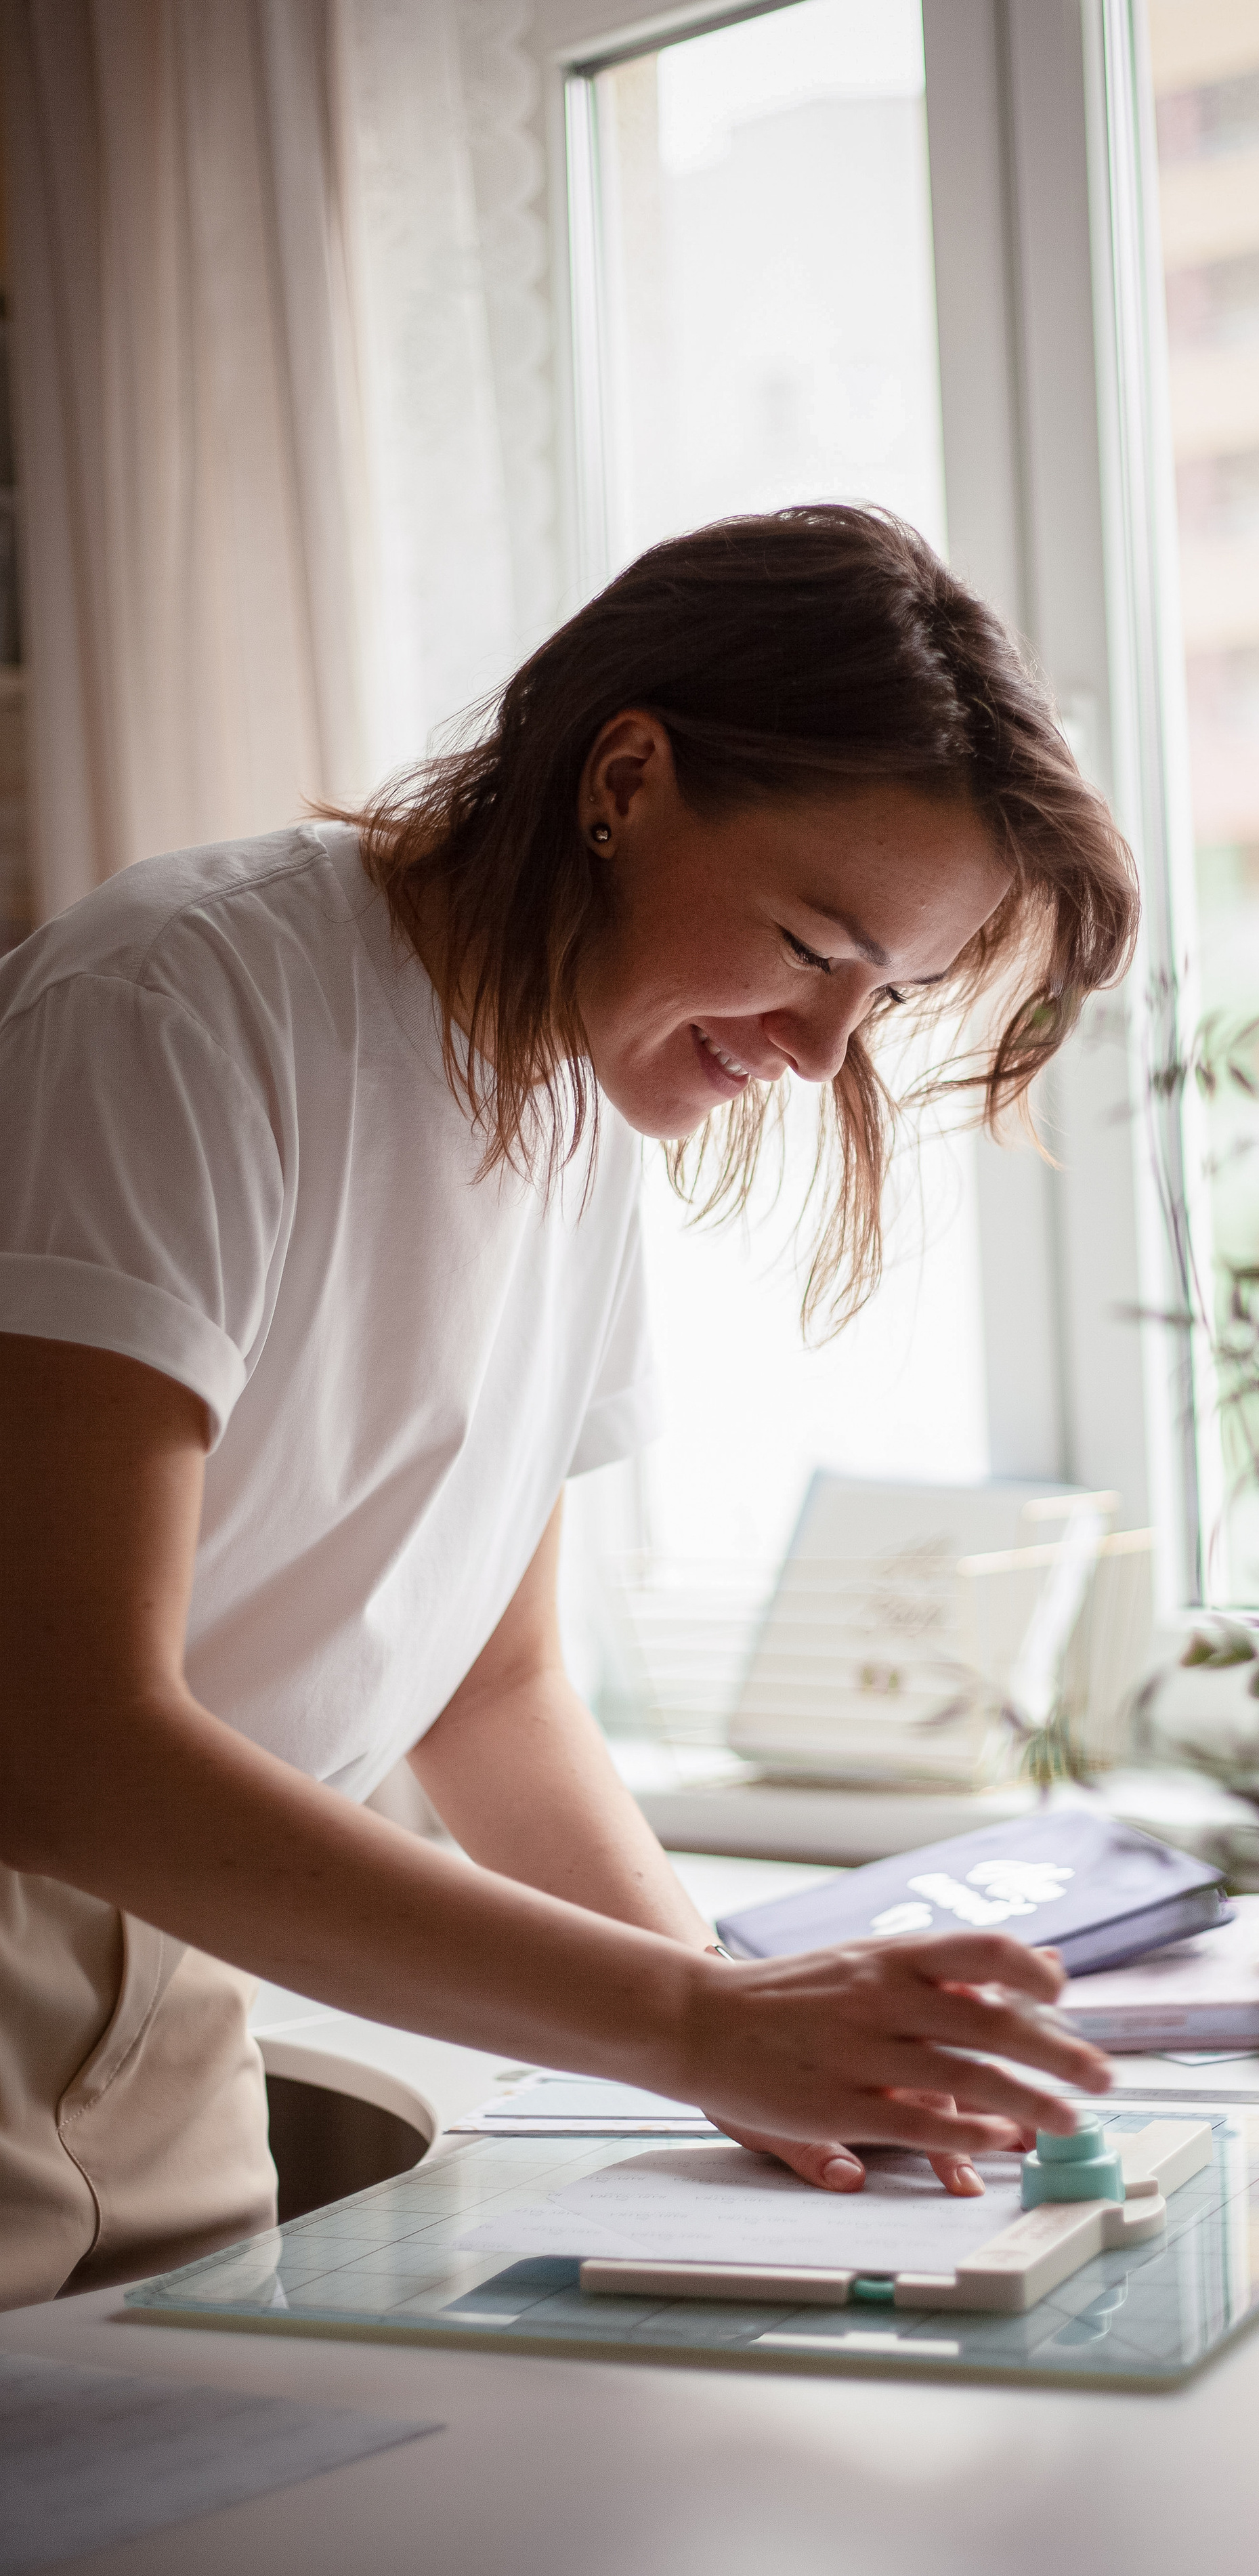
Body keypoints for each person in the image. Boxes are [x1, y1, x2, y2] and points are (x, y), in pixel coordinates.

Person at [0, 505, 1140, 2310]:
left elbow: (494, 1690)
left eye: (886, 992)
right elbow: (64, 1735)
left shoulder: (570, 1105)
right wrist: (699, 2020)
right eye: (807, 937)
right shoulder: (181, 1007)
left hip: (186, 1969)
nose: (822, 1050)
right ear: (626, 776)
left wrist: (783, 2065)